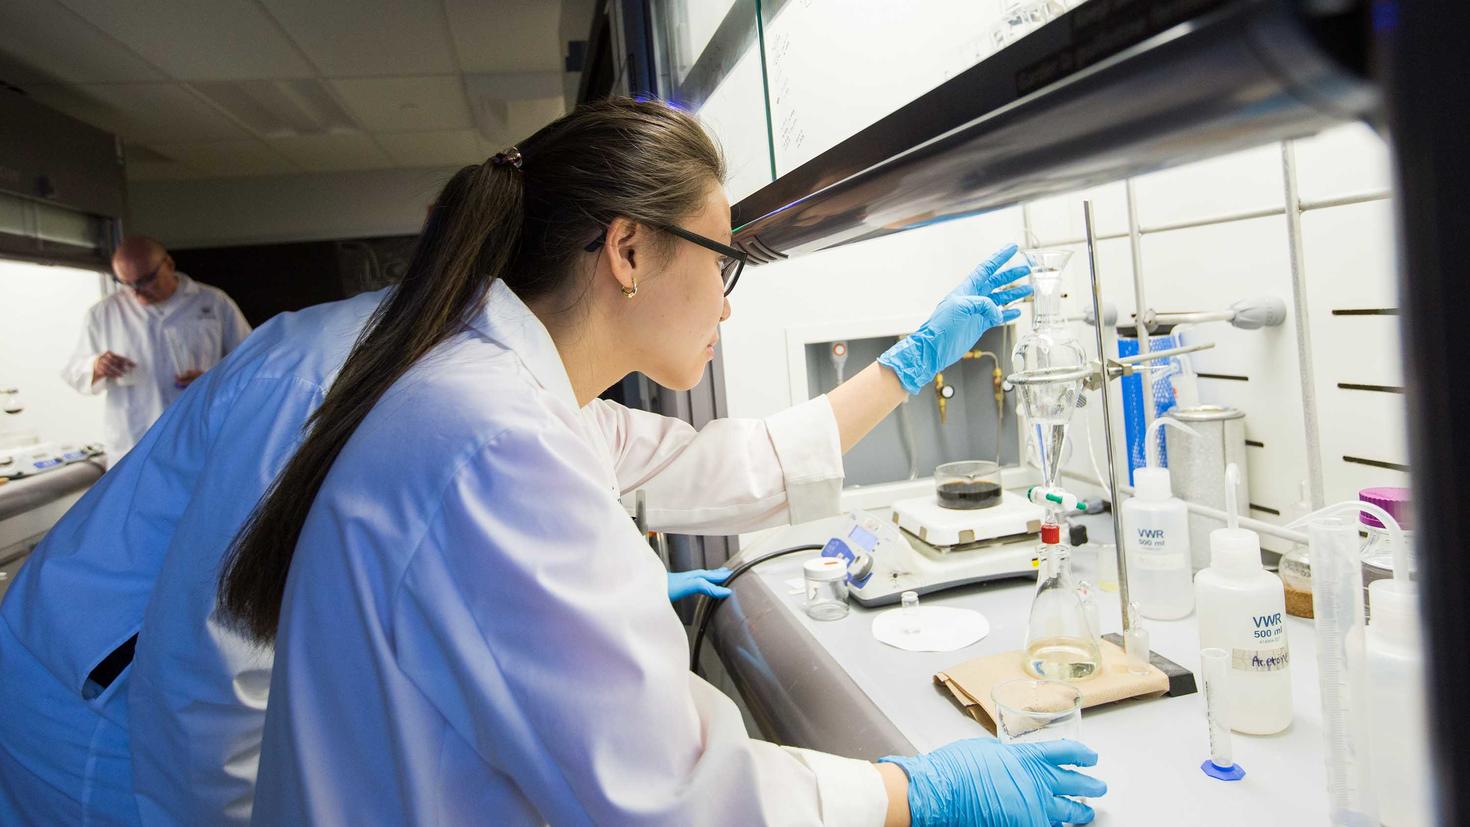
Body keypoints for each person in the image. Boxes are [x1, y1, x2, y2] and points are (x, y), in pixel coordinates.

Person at [210, 98, 1103, 826]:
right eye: (724, 264)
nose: (726, 306)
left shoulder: (504, 395)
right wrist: (915, 791)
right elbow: (676, 796)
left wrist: (914, 360)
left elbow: (726, 462)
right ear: (628, 250)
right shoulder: (496, 439)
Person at [61, 236, 252, 456]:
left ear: (169, 264)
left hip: (202, 437)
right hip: (135, 442)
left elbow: (252, 363)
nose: (137, 291)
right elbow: (74, 372)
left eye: (146, 280)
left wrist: (213, 380)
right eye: (127, 283)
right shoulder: (104, 313)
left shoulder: (213, 302)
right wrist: (96, 366)